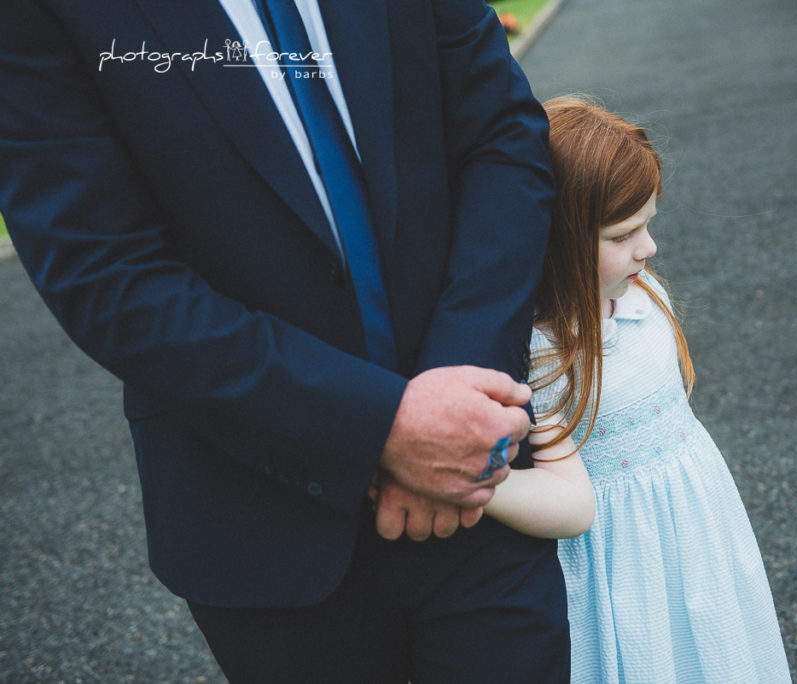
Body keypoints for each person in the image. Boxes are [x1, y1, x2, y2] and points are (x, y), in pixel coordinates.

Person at [0, 1, 570, 681]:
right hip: (265, 522)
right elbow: (108, 275)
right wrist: (383, 427)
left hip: (483, 484)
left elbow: (502, 139)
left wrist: (457, 396)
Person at [527, 95, 792, 683]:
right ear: (554, 240)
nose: (648, 248)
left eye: (648, 224)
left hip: (698, 541)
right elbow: (565, 502)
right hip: (620, 573)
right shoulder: (540, 360)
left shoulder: (645, 299)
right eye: (623, 234)